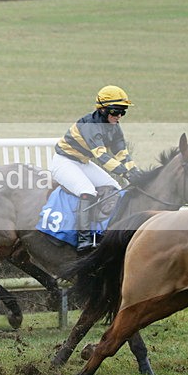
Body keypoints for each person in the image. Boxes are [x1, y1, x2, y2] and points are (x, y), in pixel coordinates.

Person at [51, 85, 142, 252]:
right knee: (87, 191)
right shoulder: (90, 125)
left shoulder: (114, 127)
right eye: (115, 111)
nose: (119, 116)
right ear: (102, 109)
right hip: (63, 162)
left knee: (115, 187)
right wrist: (126, 173)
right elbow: (102, 156)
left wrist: (135, 172)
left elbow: (122, 154)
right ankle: (83, 239)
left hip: (82, 162)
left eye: (123, 111)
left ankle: (104, 230)